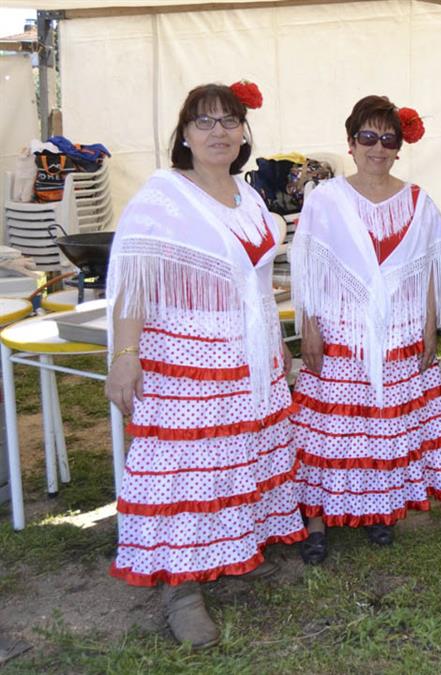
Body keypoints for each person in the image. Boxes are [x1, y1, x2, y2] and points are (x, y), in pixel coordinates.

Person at [105, 81, 304, 648]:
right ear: (184, 135)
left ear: (243, 132)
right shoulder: (163, 196)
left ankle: (234, 548)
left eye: (228, 121)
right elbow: (131, 284)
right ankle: (181, 586)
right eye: (204, 122)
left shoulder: (251, 197)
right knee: (188, 470)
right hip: (184, 359)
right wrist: (124, 357)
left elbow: (258, 281)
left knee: (238, 458)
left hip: (250, 356)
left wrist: (277, 342)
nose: (218, 132)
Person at [289, 96, 441, 564]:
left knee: (384, 429)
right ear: (350, 144)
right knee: (329, 431)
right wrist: (307, 324)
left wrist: (431, 325)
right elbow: (307, 266)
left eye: (387, 139)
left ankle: (377, 510)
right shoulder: (325, 200)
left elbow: (429, 267)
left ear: (398, 147)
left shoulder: (418, 201)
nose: (377, 147)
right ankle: (316, 520)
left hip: (399, 333)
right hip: (339, 333)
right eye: (367, 137)